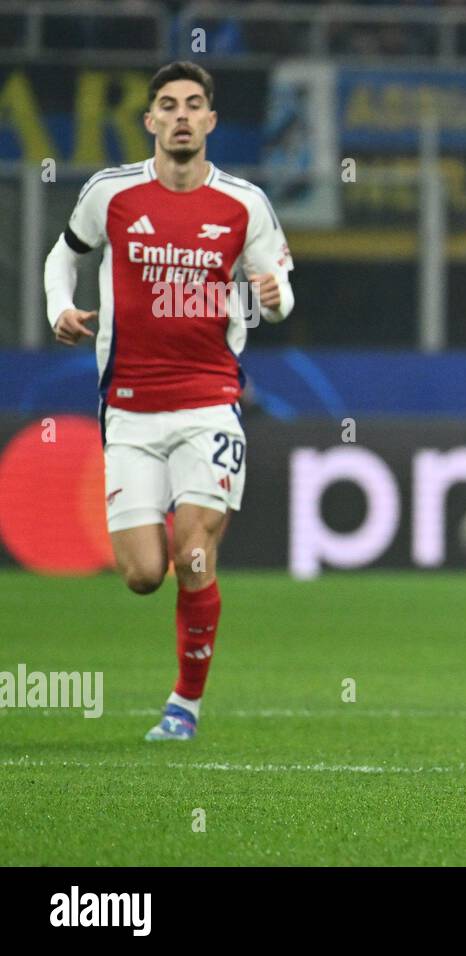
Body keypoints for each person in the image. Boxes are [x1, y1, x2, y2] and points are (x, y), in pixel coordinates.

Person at [44, 61, 294, 741]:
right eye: (167, 105)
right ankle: (160, 532)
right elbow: (62, 255)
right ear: (150, 120)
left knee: (194, 556)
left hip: (210, 402)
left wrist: (274, 300)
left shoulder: (245, 204)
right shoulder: (111, 194)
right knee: (143, 575)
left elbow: (279, 289)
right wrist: (59, 306)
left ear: (210, 120)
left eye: (193, 105)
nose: (181, 115)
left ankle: (184, 706)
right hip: (128, 408)